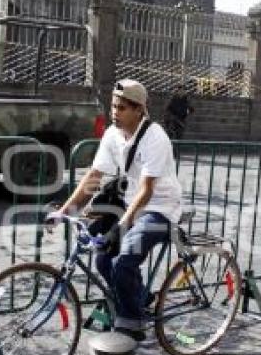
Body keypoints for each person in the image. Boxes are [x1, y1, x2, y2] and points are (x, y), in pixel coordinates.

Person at [47, 79, 183, 341]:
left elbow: (147, 190)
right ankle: (141, 298)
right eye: (113, 106)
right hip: (132, 203)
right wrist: (65, 212)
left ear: (139, 110)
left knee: (124, 258)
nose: (114, 112)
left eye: (121, 108)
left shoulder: (156, 138)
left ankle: (132, 321)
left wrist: (120, 229)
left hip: (160, 207)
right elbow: (94, 177)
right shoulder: (112, 135)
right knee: (102, 258)